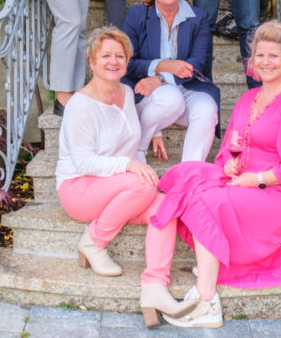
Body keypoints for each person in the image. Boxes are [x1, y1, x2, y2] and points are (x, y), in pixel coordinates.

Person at [140, 22, 281, 328]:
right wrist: (228, 164)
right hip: (242, 181)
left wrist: (256, 178)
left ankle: (207, 300)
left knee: (207, 201)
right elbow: (229, 148)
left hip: (279, 193)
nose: (265, 62)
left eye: (273, 56)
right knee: (186, 174)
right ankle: (176, 272)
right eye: (260, 55)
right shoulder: (248, 99)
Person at [55, 27, 199, 322]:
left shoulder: (126, 93)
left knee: (164, 206)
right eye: (105, 55)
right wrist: (131, 167)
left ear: (127, 61)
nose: (113, 61)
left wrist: (151, 141)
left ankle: (155, 286)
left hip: (117, 188)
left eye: (120, 56)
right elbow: (83, 162)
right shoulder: (81, 105)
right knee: (142, 184)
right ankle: (93, 242)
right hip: (78, 189)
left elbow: (131, 142)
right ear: (91, 61)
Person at [122, 0, 220, 163]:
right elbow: (128, 63)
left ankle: (189, 171)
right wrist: (164, 65)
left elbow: (197, 63)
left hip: (187, 86)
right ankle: (138, 147)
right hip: (147, 93)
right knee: (170, 98)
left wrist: (161, 78)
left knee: (207, 110)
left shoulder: (199, 17)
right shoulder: (137, 15)